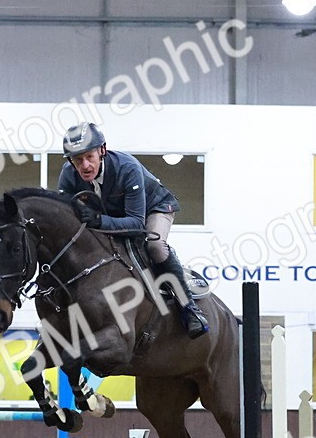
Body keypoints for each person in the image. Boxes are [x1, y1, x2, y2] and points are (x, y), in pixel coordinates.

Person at [57, 122, 208, 339]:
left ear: (102, 150)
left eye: (89, 156)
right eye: (77, 160)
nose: (85, 165)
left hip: (153, 209)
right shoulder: (68, 175)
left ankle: (190, 308)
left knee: (154, 246)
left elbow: (137, 224)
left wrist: (99, 221)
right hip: (114, 215)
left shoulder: (127, 167)